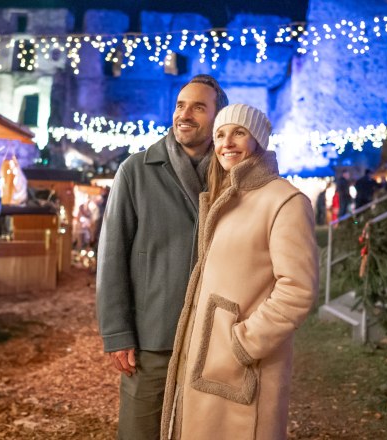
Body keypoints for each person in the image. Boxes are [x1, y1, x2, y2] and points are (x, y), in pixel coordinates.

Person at [160, 104, 318, 439]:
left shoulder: (285, 201)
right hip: (207, 356)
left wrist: (243, 343)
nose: (226, 143)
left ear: (258, 139)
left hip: (244, 363)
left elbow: (298, 289)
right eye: (220, 135)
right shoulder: (227, 195)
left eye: (239, 133)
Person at [96, 74, 228, 440]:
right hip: (152, 335)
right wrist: (117, 332)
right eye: (180, 105)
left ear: (218, 117)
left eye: (198, 107)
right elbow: (111, 257)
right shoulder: (136, 170)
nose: (185, 114)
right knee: (140, 431)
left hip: (212, 337)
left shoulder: (231, 176)